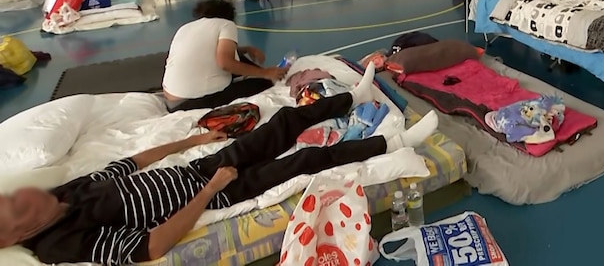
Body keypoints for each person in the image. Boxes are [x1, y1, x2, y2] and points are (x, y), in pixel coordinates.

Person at [1, 66, 440, 266]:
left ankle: (355, 98)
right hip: (212, 191)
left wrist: (196, 139)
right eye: (18, 207)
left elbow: (128, 163)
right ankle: (397, 142)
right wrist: (212, 190)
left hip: (200, 168)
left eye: (12, 195)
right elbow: (149, 248)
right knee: (306, 160)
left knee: (283, 121)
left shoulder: (63, 194)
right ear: (19, 234)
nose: (23, 194)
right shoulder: (59, 243)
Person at [162, 0, 289, 112]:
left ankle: (262, 74)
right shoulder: (226, 24)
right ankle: (269, 76)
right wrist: (265, 73)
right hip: (191, 102)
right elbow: (225, 63)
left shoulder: (185, 27)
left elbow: (207, 49)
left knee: (239, 58)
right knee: (262, 83)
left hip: (170, 99)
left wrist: (245, 49)